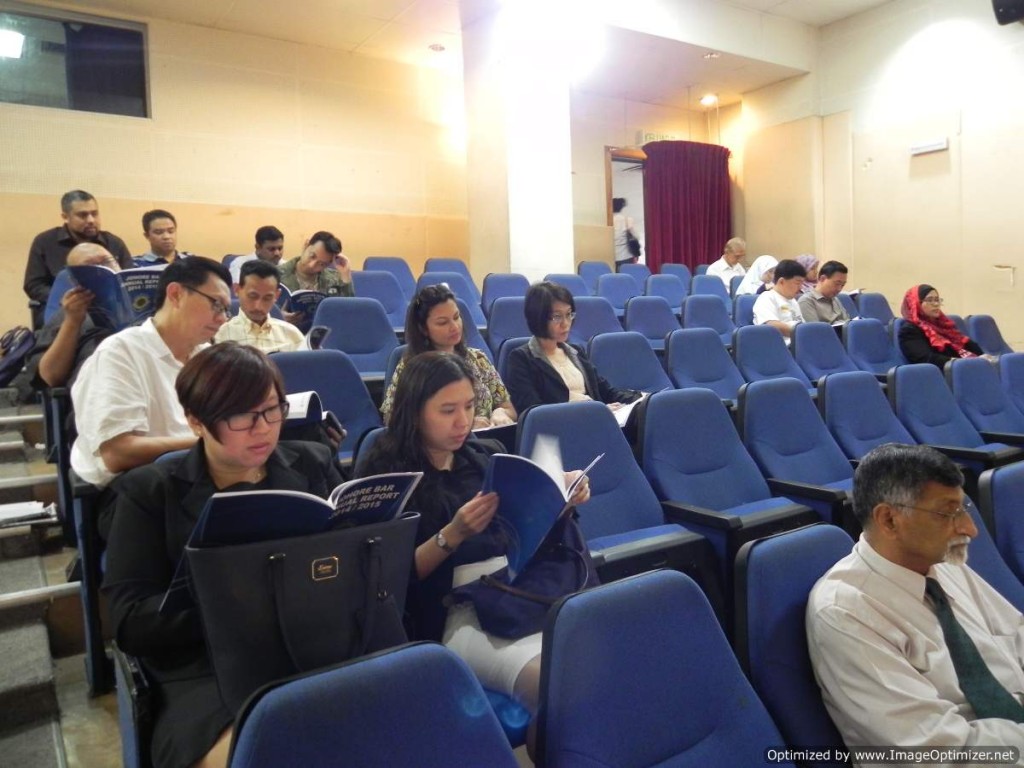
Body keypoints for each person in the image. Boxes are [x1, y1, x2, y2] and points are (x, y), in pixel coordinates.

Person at [103, 343, 342, 768]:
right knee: (272, 753)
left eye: (272, 410)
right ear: (196, 421)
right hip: (206, 670)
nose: (263, 429)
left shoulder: (311, 463)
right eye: (242, 416)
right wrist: (236, 604)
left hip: (311, 646)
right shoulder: (149, 491)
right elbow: (129, 622)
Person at [358, 351, 589, 716]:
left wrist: (559, 501)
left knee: (603, 666)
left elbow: (523, 536)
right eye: (447, 410)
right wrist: (452, 534)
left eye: (469, 406)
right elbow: (389, 578)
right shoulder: (385, 474)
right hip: (457, 612)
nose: (463, 421)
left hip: (521, 594)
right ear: (414, 411)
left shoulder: (483, 457)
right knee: (559, 688)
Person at [807, 443, 1024, 763]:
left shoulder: (943, 563)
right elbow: (934, 750)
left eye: (963, 508)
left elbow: (1016, 634)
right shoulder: (845, 611)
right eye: (947, 513)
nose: (969, 529)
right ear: (889, 520)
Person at [70, 257, 232, 537]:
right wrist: (213, 444)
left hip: (203, 476)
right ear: (176, 294)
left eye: (226, 309)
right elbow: (117, 453)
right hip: (136, 491)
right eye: (216, 304)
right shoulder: (120, 352)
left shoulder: (207, 357)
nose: (223, 318)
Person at [380, 284, 515, 427]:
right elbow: (393, 419)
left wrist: (501, 412)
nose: (454, 327)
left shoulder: (478, 359)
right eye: (443, 323)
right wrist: (465, 424)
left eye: (456, 317)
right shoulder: (410, 366)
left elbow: (509, 408)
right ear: (423, 328)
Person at [504, 281, 642, 414]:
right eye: (557, 317)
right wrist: (593, 410)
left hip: (595, 419)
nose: (566, 323)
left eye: (569, 314)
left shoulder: (576, 351)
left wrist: (640, 399)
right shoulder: (521, 358)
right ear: (538, 318)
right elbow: (533, 410)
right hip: (557, 428)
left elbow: (606, 391)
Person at [24, 190, 133, 327]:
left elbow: (129, 279)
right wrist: (64, 298)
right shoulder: (45, 242)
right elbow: (33, 285)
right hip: (62, 308)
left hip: (109, 308)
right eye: (83, 215)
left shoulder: (114, 243)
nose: (91, 220)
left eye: (94, 214)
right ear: (65, 217)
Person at [25, 243, 120, 392]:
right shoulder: (66, 314)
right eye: (90, 268)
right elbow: (49, 376)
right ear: (74, 278)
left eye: (107, 262)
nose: (103, 270)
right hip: (99, 390)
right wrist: (72, 321)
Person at [214, 260, 304, 353]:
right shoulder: (219, 335)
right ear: (237, 290)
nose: (258, 306)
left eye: (267, 298)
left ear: (277, 295)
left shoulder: (293, 335)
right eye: (252, 296)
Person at [898, 284, 987, 368]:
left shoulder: (943, 325)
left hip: (961, 367)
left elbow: (965, 343)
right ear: (915, 304)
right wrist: (960, 363)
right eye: (930, 300)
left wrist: (983, 357)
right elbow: (926, 359)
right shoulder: (909, 330)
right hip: (941, 374)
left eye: (937, 300)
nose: (936, 304)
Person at [752, 258, 806, 345]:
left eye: (802, 283)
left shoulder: (793, 301)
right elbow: (772, 326)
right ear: (781, 281)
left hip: (799, 344)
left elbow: (802, 324)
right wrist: (802, 333)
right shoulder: (767, 298)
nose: (800, 288)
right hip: (779, 346)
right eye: (797, 283)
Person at [798, 260, 851, 325]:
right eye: (837, 284)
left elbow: (847, 322)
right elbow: (815, 329)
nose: (839, 289)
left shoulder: (835, 299)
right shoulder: (806, 301)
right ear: (822, 278)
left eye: (843, 285)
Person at [611, 197, 639, 268]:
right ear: (622, 207)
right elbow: (635, 236)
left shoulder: (607, 221)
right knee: (626, 274)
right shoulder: (627, 220)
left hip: (609, 256)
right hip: (625, 255)